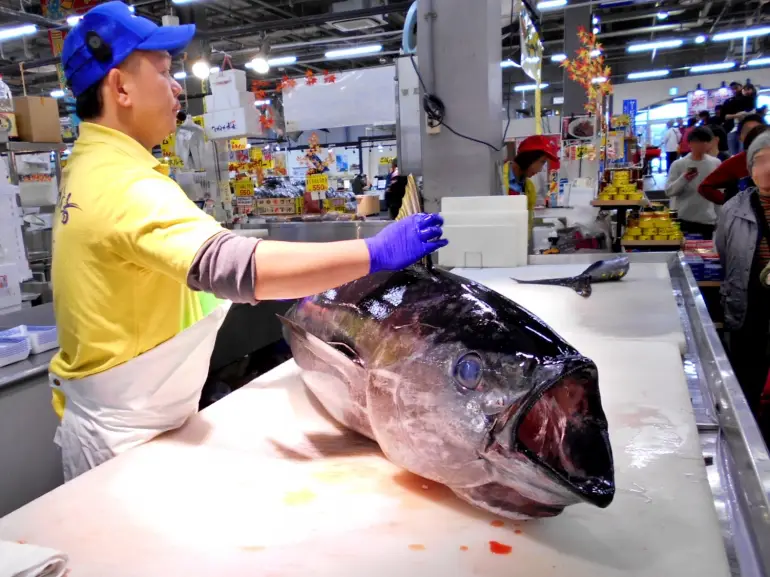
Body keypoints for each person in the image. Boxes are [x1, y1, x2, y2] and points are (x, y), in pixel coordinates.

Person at [53, 2, 448, 481]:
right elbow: (232, 267)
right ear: (120, 87)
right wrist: (372, 253)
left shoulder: (92, 165)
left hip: (130, 419)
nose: (178, 87)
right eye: (163, 72)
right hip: (125, 442)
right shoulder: (121, 182)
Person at [715, 130, 770, 416]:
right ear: (750, 169)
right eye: (760, 161)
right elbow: (726, 255)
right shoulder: (732, 210)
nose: (767, 168)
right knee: (747, 378)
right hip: (749, 306)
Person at [665, 126, 721, 239]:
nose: (702, 145)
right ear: (690, 143)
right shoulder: (678, 164)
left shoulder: (715, 163)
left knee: (706, 253)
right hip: (684, 219)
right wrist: (684, 178)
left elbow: (718, 194)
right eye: (698, 141)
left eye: (706, 141)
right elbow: (669, 191)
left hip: (708, 220)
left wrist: (720, 218)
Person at [699, 115, 768, 204]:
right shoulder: (735, 162)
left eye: (758, 130)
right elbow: (705, 187)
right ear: (739, 136)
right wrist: (730, 203)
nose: (754, 134)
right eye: (748, 131)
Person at [503, 135, 559, 227]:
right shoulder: (498, 178)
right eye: (542, 162)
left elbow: (527, 224)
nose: (540, 169)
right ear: (528, 157)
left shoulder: (529, 188)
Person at [724, 83, 759, 154]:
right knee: (733, 151)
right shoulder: (736, 100)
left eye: (748, 90)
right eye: (745, 90)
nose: (746, 92)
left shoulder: (753, 99)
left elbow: (751, 111)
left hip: (747, 128)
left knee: (742, 150)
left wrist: (741, 114)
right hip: (736, 128)